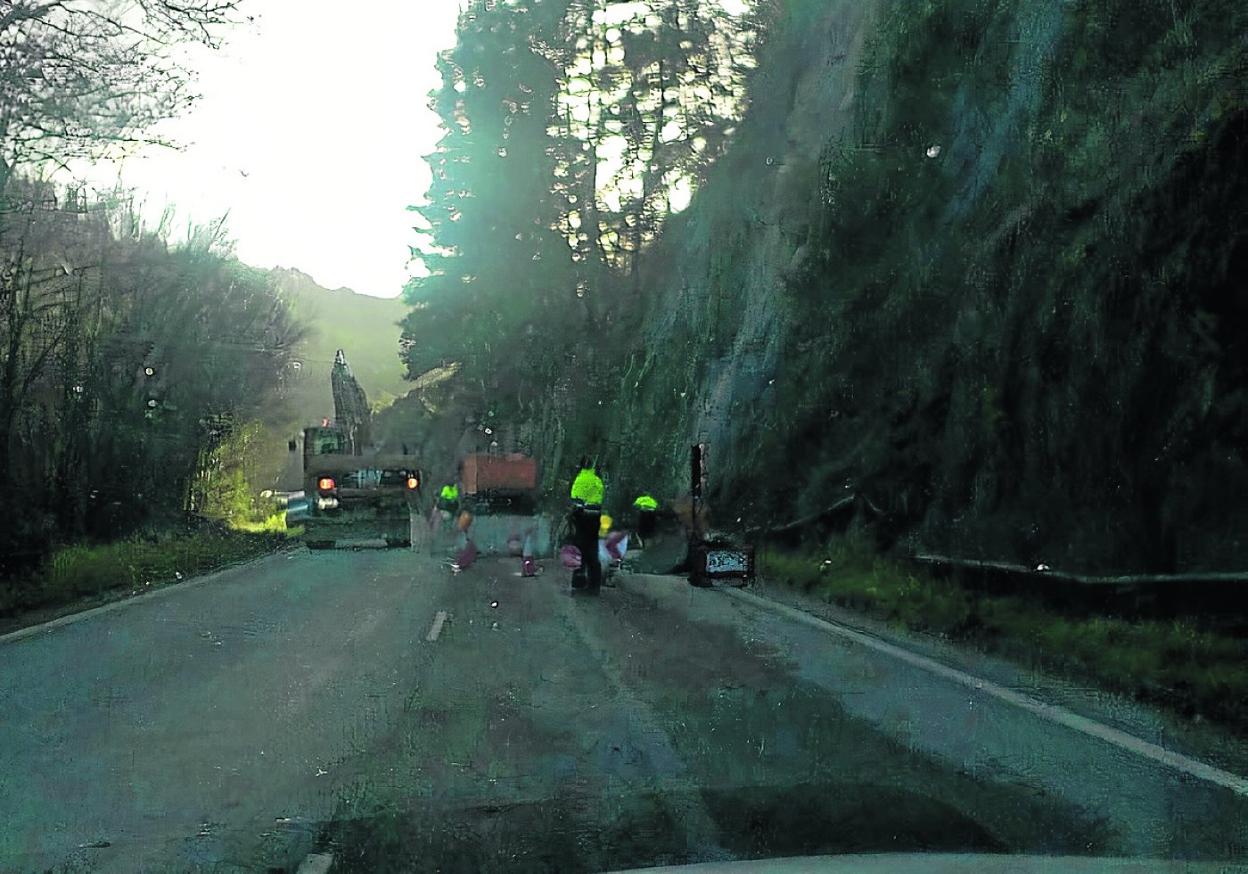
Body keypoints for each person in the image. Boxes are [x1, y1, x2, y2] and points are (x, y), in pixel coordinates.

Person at [569, 457, 605, 593]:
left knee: (579, 548)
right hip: (595, 518)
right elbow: (600, 499)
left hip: (582, 518)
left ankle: (578, 579)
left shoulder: (580, 479)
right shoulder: (597, 481)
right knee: (592, 549)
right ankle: (594, 584)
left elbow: (576, 500)